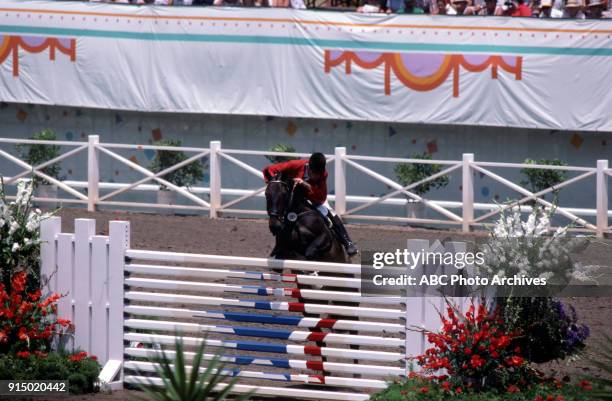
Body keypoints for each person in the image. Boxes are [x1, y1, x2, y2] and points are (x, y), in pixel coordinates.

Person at [263, 153, 358, 256]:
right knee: (284, 216)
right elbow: (270, 169)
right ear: (309, 167)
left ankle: (348, 243)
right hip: (294, 197)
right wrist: (279, 182)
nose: (317, 176)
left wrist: (306, 185)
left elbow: (321, 196)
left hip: (314, 197)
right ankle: (279, 248)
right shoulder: (295, 165)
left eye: (319, 174)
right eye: (315, 173)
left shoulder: (323, 174)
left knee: (329, 212)